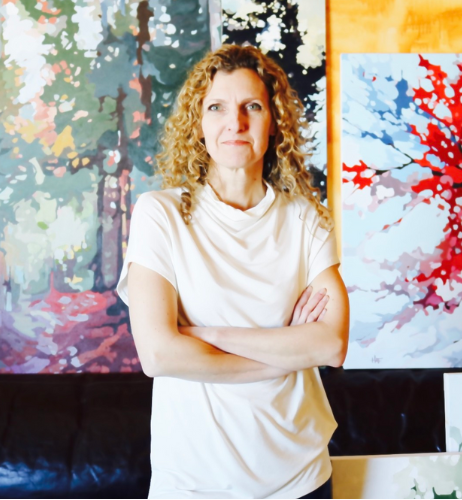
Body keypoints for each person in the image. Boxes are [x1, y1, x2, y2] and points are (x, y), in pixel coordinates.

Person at [115, 44, 350, 499]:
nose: (235, 123)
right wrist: (285, 352)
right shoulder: (159, 215)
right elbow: (160, 356)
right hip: (194, 485)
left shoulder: (307, 219)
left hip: (301, 479)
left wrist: (203, 334)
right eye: (217, 107)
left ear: (274, 120)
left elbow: (331, 344)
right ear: (198, 123)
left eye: (253, 107)